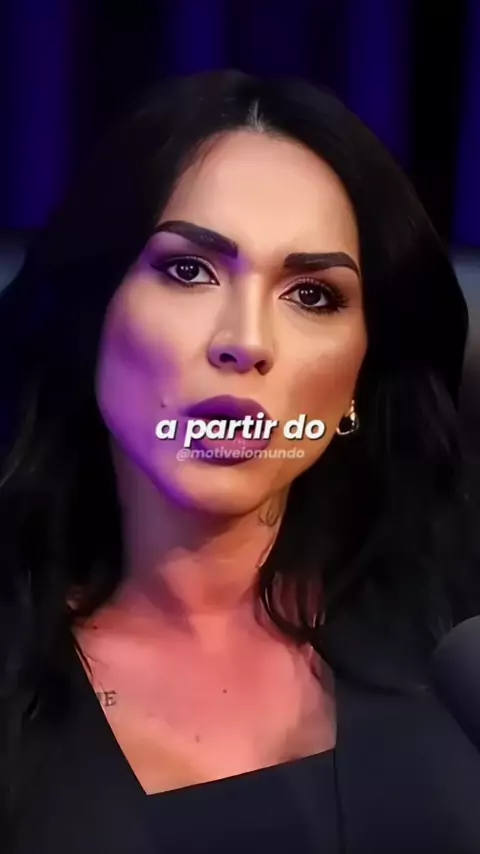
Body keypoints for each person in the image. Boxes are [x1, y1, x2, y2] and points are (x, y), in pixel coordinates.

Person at [1, 69, 480, 853]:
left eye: (313, 295)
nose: (246, 342)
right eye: (189, 270)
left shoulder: (453, 631)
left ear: (361, 372)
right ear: (93, 312)